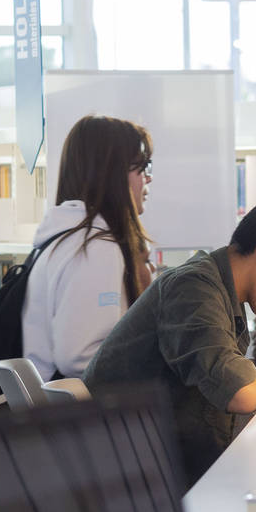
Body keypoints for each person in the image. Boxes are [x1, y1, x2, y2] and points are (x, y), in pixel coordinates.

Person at [83, 186, 256, 488]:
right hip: (136, 486)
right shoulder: (192, 289)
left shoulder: (220, 292)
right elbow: (241, 392)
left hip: (159, 473)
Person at [22, 115, 154, 380]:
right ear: (115, 173)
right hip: (84, 414)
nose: (147, 180)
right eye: (142, 168)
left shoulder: (62, 238)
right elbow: (80, 358)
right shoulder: (94, 248)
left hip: (54, 411)